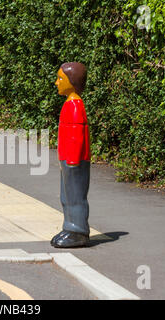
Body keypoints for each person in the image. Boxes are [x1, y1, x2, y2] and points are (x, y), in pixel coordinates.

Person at [51, 62, 91, 248]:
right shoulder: (70, 104)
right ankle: (69, 226)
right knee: (66, 195)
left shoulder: (75, 106)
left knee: (75, 196)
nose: (56, 82)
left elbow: (77, 136)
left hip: (75, 160)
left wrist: (73, 161)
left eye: (60, 78)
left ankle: (78, 230)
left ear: (72, 82)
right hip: (67, 159)